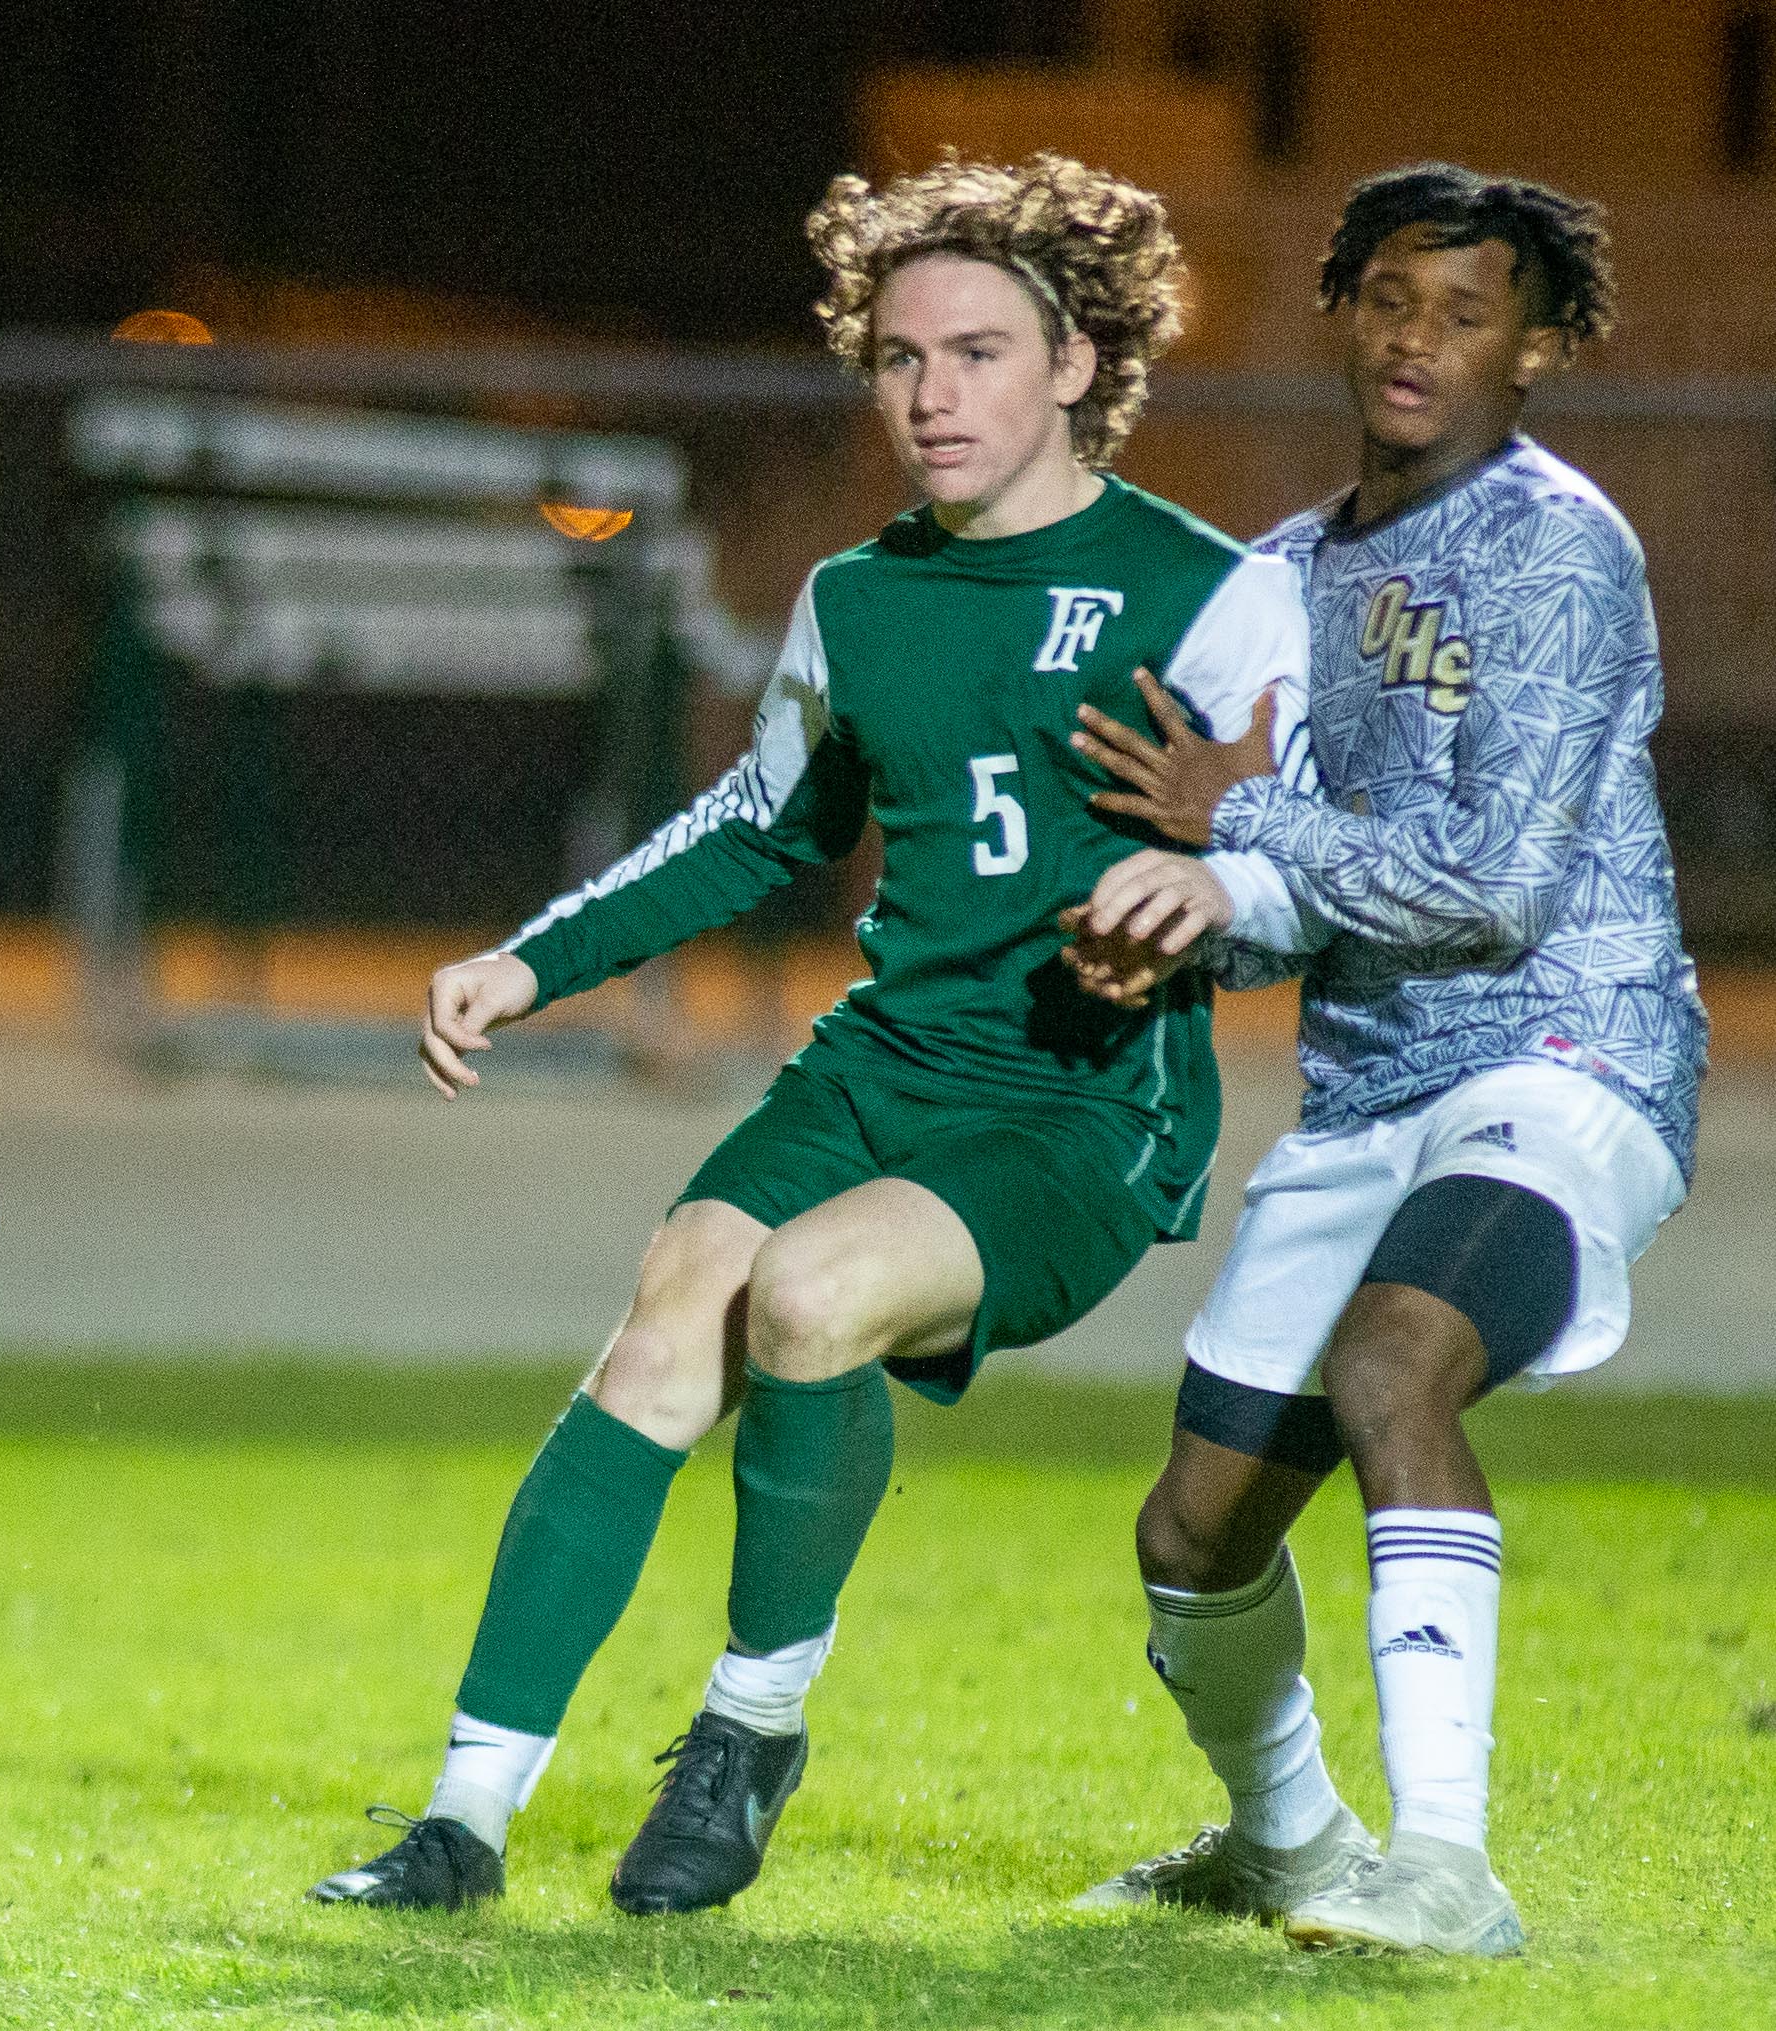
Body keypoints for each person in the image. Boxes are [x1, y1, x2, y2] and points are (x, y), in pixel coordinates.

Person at [309, 152, 1313, 1915]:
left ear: (1076, 363)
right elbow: (758, 823)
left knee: (808, 1297)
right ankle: (460, 1824)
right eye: (900, 356)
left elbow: (1314, 861)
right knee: (668, 1304)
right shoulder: (859, 597)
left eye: (980, 353)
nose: (931, 394)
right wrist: (524, 965)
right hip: (881, 1062)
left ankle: (746, 1731)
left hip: (1079, 1110)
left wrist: (1207, 909)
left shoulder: (1209, 596)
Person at [1059, 163, 1708, 1958]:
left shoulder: (1556, 549)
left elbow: (1496, 887)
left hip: (1561, 1049)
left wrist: (1239, 813)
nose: (1417, 342)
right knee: (1190, 1539)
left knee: (1389, 1364)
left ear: (1539, 346)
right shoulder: (1273, 576)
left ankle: (1444, 1865)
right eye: (1390, 301)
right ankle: (1284, 1842)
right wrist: (1179, 927)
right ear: (1341, 312)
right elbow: (1283, 890)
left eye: (1467, 311)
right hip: (1363, 1095)